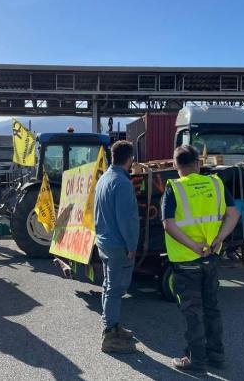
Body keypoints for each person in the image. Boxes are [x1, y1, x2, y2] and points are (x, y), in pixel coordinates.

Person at [161, 145, 240, 375]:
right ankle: (216, 356)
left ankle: (195, 361)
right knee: (212, 307)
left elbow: (168, 224)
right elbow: (233, 213)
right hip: (211, 257)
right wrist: (218, 239)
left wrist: (193, 246)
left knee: (192, 312)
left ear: (176, 165)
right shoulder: (216, 183)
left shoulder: (174, 188)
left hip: (186, 260)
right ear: (198, 163)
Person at [93, 140, 139, 353]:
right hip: (118, 244)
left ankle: (111, 325)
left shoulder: (104, 178)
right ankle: (109, 333)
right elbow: (126, 219)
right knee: (115, 288)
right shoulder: (122, 183)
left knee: (108, 285)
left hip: (104, 241)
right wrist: (132, 245)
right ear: (130, 159)